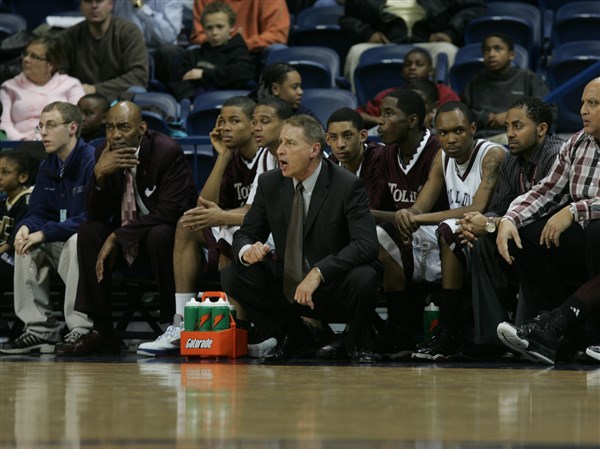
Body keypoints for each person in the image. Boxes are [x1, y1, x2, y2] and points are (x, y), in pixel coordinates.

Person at [220, 114, 382, 363]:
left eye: (290, 143)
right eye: (280, 142)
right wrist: (247, 250)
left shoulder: (347, 185)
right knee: (234, 273)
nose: (280, 150)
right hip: (290, 283)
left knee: (365, 276)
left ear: (314, 150)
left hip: (332, 284)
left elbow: (366, 245)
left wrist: (319, 272)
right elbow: (246, 232)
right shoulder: (269, 183)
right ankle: (293, 335)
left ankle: (359, 342)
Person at [57, 101, 197, 356]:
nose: (115, 135)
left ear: (141, 128)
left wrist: (117, 236)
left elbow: (172, 210)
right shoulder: (103, 152)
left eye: (123, 127)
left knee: (161, 233)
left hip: (161, 244)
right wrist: (99, 176)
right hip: (126, 243)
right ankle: (102, 331)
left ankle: (173, 324)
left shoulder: (166, 151)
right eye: (109, 128)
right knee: (89, 230)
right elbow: (96, 213)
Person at [136, 96, 263, 356]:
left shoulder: (267, 156)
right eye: (222, 121)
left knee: (227, 237)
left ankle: (236, 328)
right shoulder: (232, 157)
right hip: (234, 227)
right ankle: (181, 322)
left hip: (261, 233)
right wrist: (223, 157)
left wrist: (221, 217)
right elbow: (204, 206)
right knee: (188, 223)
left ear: (253, 125)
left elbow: (260, 213)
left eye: (234, 121)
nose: (225, 127)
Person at [495, 77, 600, 362]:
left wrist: (572, 211)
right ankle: (553, 335)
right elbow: (547, 190)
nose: (583, 110)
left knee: (597, 230)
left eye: (593, 103)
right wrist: (509, 219)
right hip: (587, 243)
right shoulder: (577, 142)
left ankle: (565, 327)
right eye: (583, 103)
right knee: (526, 234)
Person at [393, 101, 506, 360]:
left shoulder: (492, 155)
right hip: (460, 236)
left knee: (447, 230)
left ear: (473, 128)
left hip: (491, 232)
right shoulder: (442, 157)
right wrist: (407, 216)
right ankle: (397, 330)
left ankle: (447, 329)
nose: (451, 139)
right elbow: (420, 206)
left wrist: (418, 218)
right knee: (393, 236)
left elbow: (477, 207)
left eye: (458, 131)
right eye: (443, 133)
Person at [455, 97, 563, 357]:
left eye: (518, 126)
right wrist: (480, 223)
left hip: (554, 240)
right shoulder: (511, 160)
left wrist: (491, 224)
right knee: (478, 240)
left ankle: (529, 331)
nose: (510, 134)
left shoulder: (556, 155)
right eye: (507, 127)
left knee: (522, 234)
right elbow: (499, 206)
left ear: (541, 129)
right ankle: (491, 339)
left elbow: (545, 213)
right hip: (516, 234)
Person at [0, 102, 96, 355]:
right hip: (59, 241)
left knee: (76, 240)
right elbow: (39, 212)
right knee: (25, 245)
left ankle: (81, 328)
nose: (43, 132)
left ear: (72, 127)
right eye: (40, 126)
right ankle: (40, 329)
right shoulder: (47, 166)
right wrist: (25, 227)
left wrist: (44, 233)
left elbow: (92, 217)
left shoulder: (92, 160)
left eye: (51, 125)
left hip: (91, 246)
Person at [369, 89, 447, 355]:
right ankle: (390, 327)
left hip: (440, 236)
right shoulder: (386, 154)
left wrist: (399, 219)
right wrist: (396, 219)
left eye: (389, 114)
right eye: (380, 114)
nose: (380, 122)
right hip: (405, 235)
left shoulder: (437, 151)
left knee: (382, 234)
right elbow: (375, 209)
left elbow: (417, 212)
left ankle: (399, 329)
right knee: (372, 232)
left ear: (412, 120)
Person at [341, 0, 485, 88]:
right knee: (356, 52)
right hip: (386, 42)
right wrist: (367, 33)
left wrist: (450, 32)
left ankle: (445, 106)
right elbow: (348, 18)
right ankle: (355, 106)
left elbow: (474, 6)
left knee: (447, 51)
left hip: (427, 41)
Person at [461, 33, 552, 142]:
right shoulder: (476, 81)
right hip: (481, 139)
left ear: (511, 55)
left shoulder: (526, 77)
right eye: (487, 50)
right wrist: (484, 117)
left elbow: (547, 109)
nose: (491, 54)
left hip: (519, 137)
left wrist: (512, 116)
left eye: (498, 49)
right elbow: (462, 114)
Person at [57, 0, 148, 102]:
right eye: (88, 1)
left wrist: (95, 89)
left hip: (118, 97)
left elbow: (139, 76)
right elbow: (59, 76)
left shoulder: (129, 32)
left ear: (111, 4)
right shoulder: (68, 37)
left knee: (137, 91)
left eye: (99, 1)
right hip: (81, 99)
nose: (94, 6)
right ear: (81, 6)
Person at [0, 36, 85, 141]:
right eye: (25, 54)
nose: (26, 59)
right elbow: (4, 123)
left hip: (58, 143)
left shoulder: (71, 85)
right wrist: (22, 141)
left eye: (34, 57)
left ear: (51, 64)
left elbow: (75, 120)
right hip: (17, 144)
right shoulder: (9, 86)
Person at [170, 1, 255, 102]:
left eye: (220, 27)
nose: (214, 32)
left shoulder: (239, 52)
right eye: (209, 28)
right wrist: (189, 99)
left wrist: (204, 74)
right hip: (199, 105)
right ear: (204, 29)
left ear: (232, 27)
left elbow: (244, 73)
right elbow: (179, 81)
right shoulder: (194, 55)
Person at [357, 47, 459, 128]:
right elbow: (359, 115)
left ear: (430, 70)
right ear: (402, 71)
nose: (412, 68)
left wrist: (433, 116)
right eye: (407, 65)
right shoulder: (389, 94)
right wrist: (383, 121)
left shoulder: (444, 92)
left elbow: (459, 115)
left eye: (419, 64)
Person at [0, 149, 37, 342]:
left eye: (5, 172)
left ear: (22, 177)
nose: (0, 177)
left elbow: (13, 241)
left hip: (21, 256)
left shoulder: (28, 200)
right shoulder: (3, 202)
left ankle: (11, 328)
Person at [190, 0, 290, 54]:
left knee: (278, 50)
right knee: (193, 50)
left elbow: (277, 35)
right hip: (214, 51)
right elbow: (199, 35)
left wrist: (239, 45)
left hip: (256, 52)